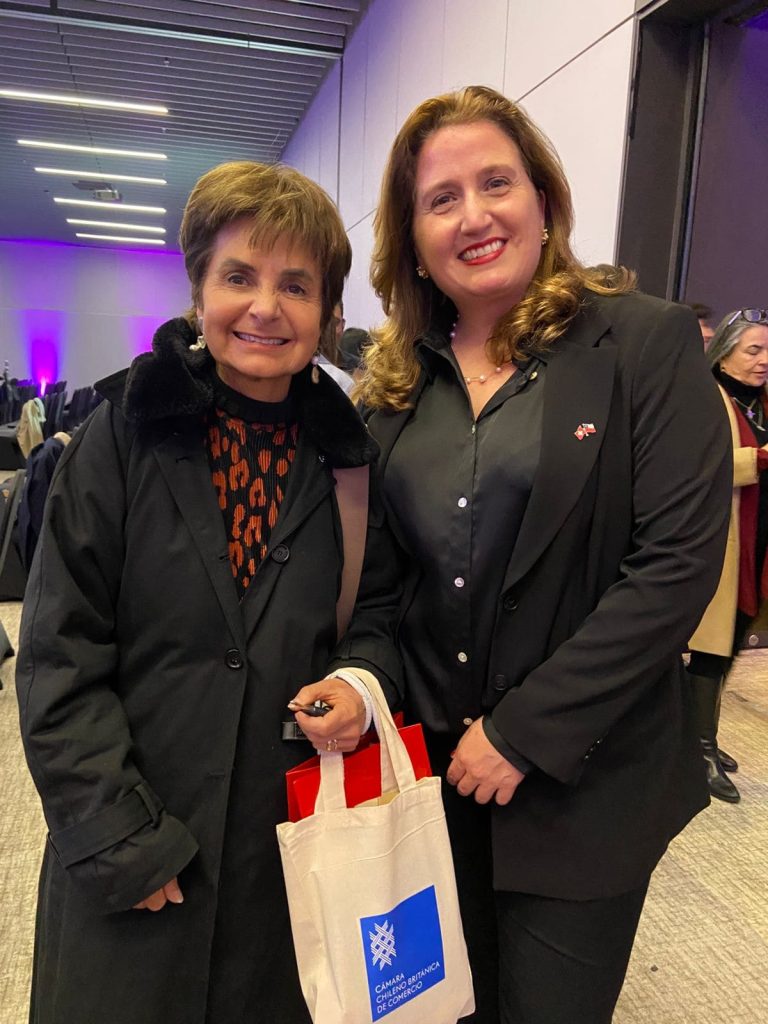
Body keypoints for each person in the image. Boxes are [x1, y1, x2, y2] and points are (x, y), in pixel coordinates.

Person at [350, 85, 731, 1023]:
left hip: (582, 780)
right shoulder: (393, 388)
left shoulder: (640, 342)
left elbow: (675, 565)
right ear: (413, 239)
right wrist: (360, 682)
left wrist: (525, 732)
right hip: (428, 784)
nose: (474, 216)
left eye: (497, 183)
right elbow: (384, 588)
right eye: (441, 199)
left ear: (544, 198)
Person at [15, 160, 400, 1024]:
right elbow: (57, 653)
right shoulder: (122, 439)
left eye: (295, 285)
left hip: (281, 863)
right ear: (198, 292)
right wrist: (119, 836)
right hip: (138, 847)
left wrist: (360, 681)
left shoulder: (349, 462)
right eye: (239, 277)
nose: (265, 307)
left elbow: (376, 616)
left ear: (328, 314)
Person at [688, 308, 768, 804]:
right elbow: (698, 466)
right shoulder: (706, 396)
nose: (763, 360)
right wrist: (760, 459)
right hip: (721, 542)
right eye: (753, 349)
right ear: (724, 354)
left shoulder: (760, 402)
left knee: (734, 642)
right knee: (711, 650)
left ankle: (703, 737)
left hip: (757, 542)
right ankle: (699, 751)